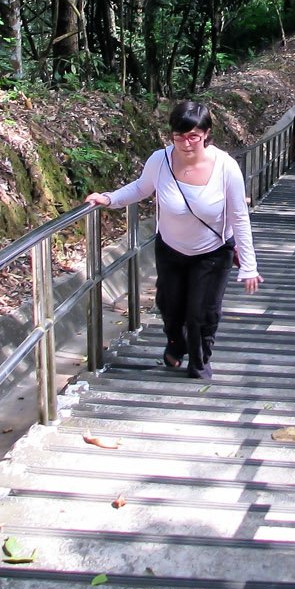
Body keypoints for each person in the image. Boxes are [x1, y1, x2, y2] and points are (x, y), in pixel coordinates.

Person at [86, 101, 261, 380]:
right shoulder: (161, 160)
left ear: (206, 135)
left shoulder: (226, 168)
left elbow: (239, 216)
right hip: (170, 249)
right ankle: (175, 343)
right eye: (179, 136)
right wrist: (109, 199)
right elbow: (141, 188)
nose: (186, 143)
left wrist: (249, 266)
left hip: (212, 253)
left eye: (193, 136)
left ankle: (200, 362)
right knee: (170, 306)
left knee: (200, 312)